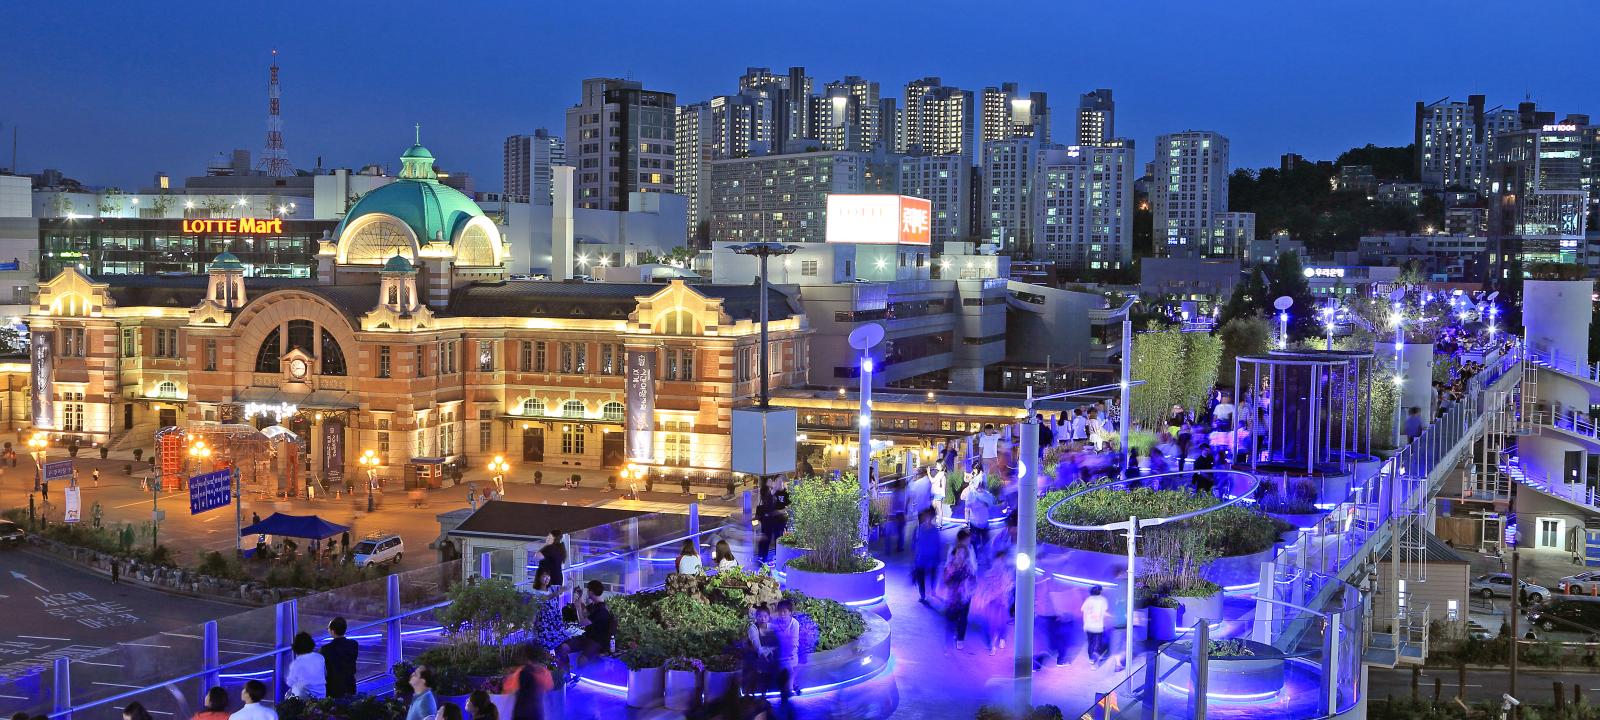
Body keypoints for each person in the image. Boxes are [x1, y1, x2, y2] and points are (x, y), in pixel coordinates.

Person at [940, 529, 978, 650]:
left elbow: (973, 574)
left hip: (966, 594)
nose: (969, 540)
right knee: (953, 615)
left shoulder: (969, 554)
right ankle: (952, 633)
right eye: (967, 538)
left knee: (964, 615)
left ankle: (960, 638)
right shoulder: (953, 553)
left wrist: (972, 588)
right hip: (954, 594)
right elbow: (946, 575)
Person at [973, 549, 1015, 656]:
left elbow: (1010, 586)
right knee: (994, 623)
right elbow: (987, 587)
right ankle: (994, 643)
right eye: (1000, 559)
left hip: (1001, 601)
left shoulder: (1006, 572)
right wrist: (983, 597)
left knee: (1001, 622)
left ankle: (1000, 639)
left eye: (1002, 559)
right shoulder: (993, 572)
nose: (1000, 561)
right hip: (994, 601)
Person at [505, 644, 554, 720]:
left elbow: (508, 688)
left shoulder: (520, 672)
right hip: (536, 712)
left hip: (521, 713)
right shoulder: (545, 672)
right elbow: (549, 688)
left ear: (525, 656)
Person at [770, 599, 801, 703]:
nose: (782, 614)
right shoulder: (774, 623)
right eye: (780, 611)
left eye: (785, 611)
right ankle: (791, 686)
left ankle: (789, 688)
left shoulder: (794, 624)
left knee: (788, 666)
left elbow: (794, 641)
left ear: (790, 612)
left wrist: (789, 652)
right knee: (784, 666)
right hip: (778, 653)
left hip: (790, 653)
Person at [321, 616, 359, 698]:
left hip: (333, 688)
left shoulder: (326, 649)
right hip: (350, 685)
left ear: (333, 631)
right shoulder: (353, 644)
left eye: (328, 628)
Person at [911, 508, 943, 603]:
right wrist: (914, 558)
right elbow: (914, 544)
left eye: (930, 516)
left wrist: (939, 557)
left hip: (933, 559)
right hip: (921, 559)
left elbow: (938, 545)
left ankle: (933, 589)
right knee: (920, 578)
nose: (928, 518)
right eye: (926, 516)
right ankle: (922, 595)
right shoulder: (918, 530)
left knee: (933, 575)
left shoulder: (935, 531)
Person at [285, 631, 325, 698]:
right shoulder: (320, 657)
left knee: (289, 694)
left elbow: (290, 682)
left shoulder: (296, 663)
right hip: (322, 694)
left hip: (307, 698)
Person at [1081, 586, 1111, 667]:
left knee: (1090, 643)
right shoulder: (1103, 600)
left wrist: (1084, 625)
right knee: (1098, 644)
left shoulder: (1088, 600)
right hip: (1098, 627)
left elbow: (1084, 612)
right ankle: (1095, 660)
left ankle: (1091, 659)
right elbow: (1104, 613)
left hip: (1088, 626)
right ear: (1100, 591)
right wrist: (1112, 617)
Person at [886, 476, 908, 553]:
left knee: (890, 533)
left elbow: (892, 505)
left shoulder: (895, 492)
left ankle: (889, 548)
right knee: (900, 532)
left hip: (893, 514)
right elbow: (900, 505)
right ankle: (899, 547)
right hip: (899, 514)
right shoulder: (901, 493)